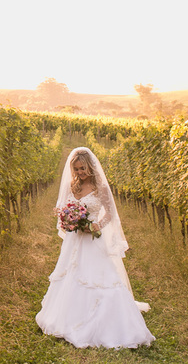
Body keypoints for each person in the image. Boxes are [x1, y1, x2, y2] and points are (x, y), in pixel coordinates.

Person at [35, 146, 154, 349]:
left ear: (90, 166)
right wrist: (65, 218)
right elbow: (65, 209)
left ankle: (106, 321)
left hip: (92, 239)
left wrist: (97, 224)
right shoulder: (74, 187)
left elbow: (110, 214)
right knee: (70, 274)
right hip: (75, 240)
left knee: (97, 278)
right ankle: (67, 317)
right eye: (77, 169)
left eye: (83, 168)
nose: (80, 173)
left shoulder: (101, 188)